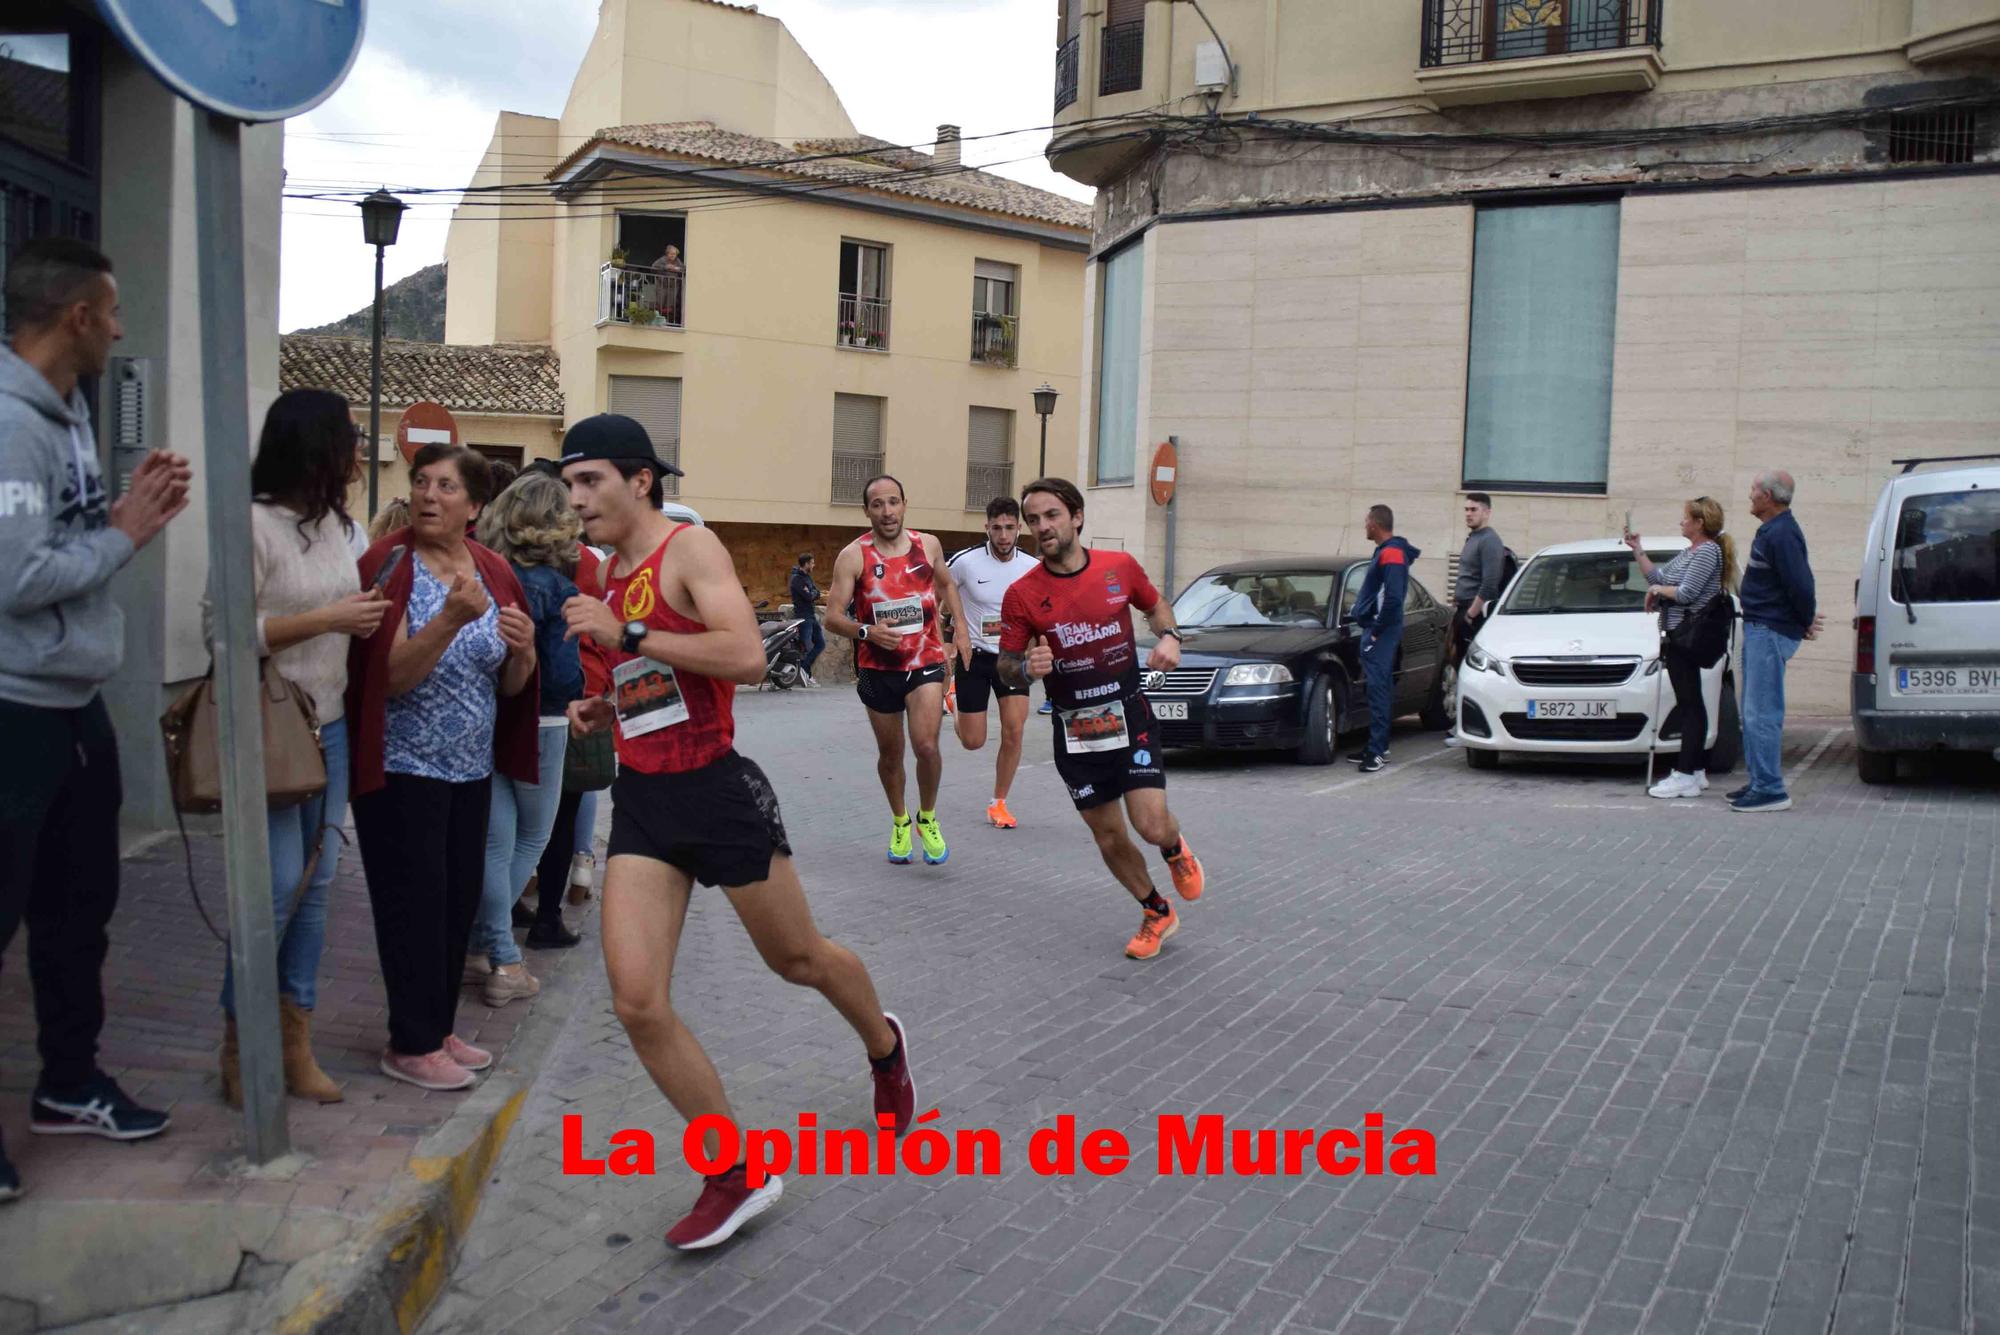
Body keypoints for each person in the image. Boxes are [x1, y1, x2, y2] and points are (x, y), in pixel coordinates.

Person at [555, 413, 912, 1251]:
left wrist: (627, 633)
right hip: (644, 797)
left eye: (588, 481)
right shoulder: (606, 571)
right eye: (568, 484)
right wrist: (601, 703)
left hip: (716, 790)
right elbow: (647, 677)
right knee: (638, 1001)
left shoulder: (691, 551)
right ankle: (735, 1172)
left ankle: (884, 1044)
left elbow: (746, 655)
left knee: (799, 960)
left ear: (641, 479)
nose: (575, 499)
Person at [0, 238, 189, 1197]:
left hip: (75, 706)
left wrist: (121, 516)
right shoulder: (10, 422)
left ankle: (68, 1083)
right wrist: (125, 533)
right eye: (111, 312)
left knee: (80, 913)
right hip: (12, 711)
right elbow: (16, 576)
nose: (120, 329)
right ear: (76, 317)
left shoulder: (66, 412)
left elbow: (59, 541)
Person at [211, 389, 390, 1109]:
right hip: (267, 722)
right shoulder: (251, 525)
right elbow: (222, 632)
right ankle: (241, 1041)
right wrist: (329, 617)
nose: (356, 453)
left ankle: (295, 1043)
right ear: (314, 449)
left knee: (317, 886)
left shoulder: (339, 528)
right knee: (277, 881)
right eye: (347, 439)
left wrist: (364, 618)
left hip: (332, 723)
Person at [347, 443, 540, 1091]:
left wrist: (523, 654)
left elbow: (511, 685)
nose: (430, 495)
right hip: (403, 768)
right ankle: (409, 1041)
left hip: (469, 770)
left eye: (447, 486)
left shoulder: (491, 568)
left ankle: (437, 1027)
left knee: (456, 906)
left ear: (476, 505)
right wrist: (452, 620)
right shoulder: (389, 563)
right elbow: (390, 677)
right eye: (422, 482)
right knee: (414, 907)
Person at [997, 478, 1206, 961]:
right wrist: (1025, 668)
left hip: (1129, 713)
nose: (1041, 527)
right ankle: (1156, 910)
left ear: (1076, 517)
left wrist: (1171, 636)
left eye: (1051, 515)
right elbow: (1005, 665)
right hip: (1075, 730)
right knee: (1108, 835)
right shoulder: (1023, 594)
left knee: (1150, 825)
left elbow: (1155, 607)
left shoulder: (1119, 568)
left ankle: (1174, 848)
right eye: (1033, 520)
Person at [468, 472, 585, 1006]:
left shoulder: (488, 573)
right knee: (531, 839)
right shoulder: (558, 587)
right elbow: (562, 679)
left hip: (485, 716)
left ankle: (478, 950)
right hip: (543, 722)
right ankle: (500, 957)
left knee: (495, 841)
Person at [822, 475, 970, 866]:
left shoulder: (929, 545)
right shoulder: (853, 556)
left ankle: (928, 816)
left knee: (926, 746)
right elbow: (832, 618)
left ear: (904, 504)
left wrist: (960, 633)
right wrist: (866, 631)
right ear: (867, 510)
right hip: (878, 669)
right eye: (877, 504)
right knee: (892, 754)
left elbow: (946, 584)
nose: (887, 511)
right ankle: (901, 821)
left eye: (893, 502)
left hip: (925, 662)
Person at [1625, 497, 1735, 800]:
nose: (1681, 522)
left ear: (1700, 522)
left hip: (1688, 635)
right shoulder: (1690, 552)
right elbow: (1658, 577)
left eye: (1685, 518)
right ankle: (1695, 770)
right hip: (1677, 635)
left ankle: (1685, 774)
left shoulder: (1708, 552)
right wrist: (1638, 550)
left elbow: (1686, 594)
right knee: (1692, 702)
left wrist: (1657, 591)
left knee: (1689, 705)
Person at [1732, 470, 1821, 814]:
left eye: (1753, 489)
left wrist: (1802, 623)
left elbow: (1802, 585)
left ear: (1768, 496)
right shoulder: (1772, 531)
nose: (1750, 495)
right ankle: (1758, 781)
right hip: (1760, 629)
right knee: (1752, 712)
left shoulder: (1782, 534)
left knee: (1762, 713)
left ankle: (1770, 789)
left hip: (1768, 631)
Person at [947, 498, 1038, 828]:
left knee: (1014, 732)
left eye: (1009, 528)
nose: (1003, 535)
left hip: (1012, 660)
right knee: (973, 741)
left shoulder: (1032, 567)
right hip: (975, 658)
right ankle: (954, 702)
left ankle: (998, 802)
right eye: (996, 528)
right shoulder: (965, 562)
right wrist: (953, 629)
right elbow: (939, 590)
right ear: (986, 527)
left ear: (1019, 529)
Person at [1347, 504, 1419, 773]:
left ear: (1375, 524)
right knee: (1378, 688)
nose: (1364, 525)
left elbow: (1393, 599)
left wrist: (1375, 631)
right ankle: (1378, 746)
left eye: (1366, 520)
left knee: (1378, 690)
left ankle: (1376, 752)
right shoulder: (1387, 551)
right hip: (1380, 630)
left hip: (1382, 632)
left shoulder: (1391, 553)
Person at [1452, 493, 1503, 668]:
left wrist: (1470, 615)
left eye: (1473, 509)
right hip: (1463, 609)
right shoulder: (1473, 538)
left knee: (1470, 668)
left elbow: (1489, 583)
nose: (1468, 513)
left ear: (1487, 512)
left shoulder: (1489, 540)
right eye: (1466, 509)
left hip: (1475, 615)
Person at [788, 551, 824, 686]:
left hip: (811, 615)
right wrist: (813, 594)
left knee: (820, 644)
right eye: (812, 563)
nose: (814, 565)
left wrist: (813, 593)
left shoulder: (808, 577)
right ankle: (805, 675)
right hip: (803, 617)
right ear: (807, 564)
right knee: (806, 647)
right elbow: (809, 596)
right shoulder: (796, 579)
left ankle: (803, 670)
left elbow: (817, 592)